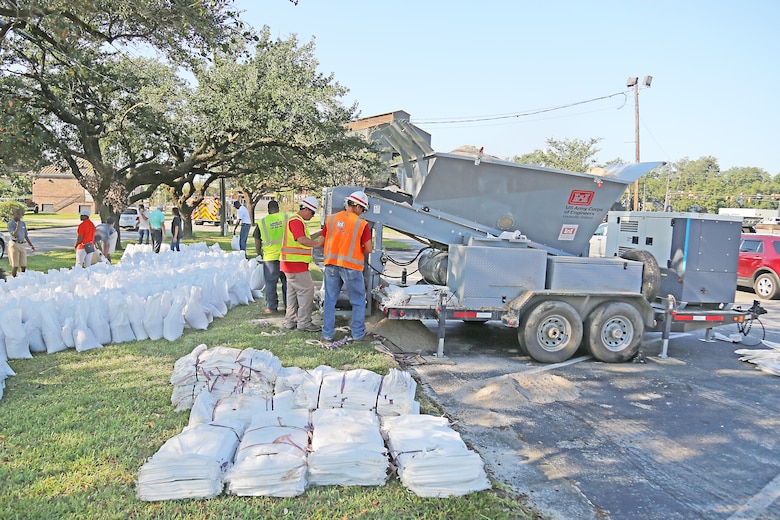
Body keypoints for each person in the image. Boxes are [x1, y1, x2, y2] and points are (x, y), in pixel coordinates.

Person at [321, 190, 373, 342]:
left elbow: (324, 241)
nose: (362, 212)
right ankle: (357, 335)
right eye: (363, 209)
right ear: (357, 206)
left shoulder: (330, 219)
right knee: (358, 301)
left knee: (330, 300)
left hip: (331, 265)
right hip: (351, 267)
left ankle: (327, 335)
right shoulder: (362, 224)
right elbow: (368, 248)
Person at [280, 196, 324, 333]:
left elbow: (306, 238)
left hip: (291, 264)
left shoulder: (297, 221)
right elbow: (302, 239)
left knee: (292, 294)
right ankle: (304, 322)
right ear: (305, 209)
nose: (312, 216)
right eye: (312, 213)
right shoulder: (296, 221)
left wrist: (321, 233)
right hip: (295, 264)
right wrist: (318, 244)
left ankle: (290, 321)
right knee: (307, 291)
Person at [255, 200, 288, 314]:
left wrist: (258, 252)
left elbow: (257, 239)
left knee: (270, 284)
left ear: (268, 210)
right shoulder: (286, 218)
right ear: (278, 208)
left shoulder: (263, 222)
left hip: (270, 258)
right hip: (286, 256)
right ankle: (289, 306)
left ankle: (272, 307)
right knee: (287, 282)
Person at [7, 207, 35, 277]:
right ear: (13, 214)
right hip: (14, 244)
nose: (19, 215)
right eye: (17, 214)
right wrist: (17, 226)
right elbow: (14, 235)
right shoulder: (11, 223)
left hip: (22, 244)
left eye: (20, 214)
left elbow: (25, 235)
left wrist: (31, 245)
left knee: (23, 264)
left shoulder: (23, 223)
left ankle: (22, 278)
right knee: (15, 265)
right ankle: (13, 279)